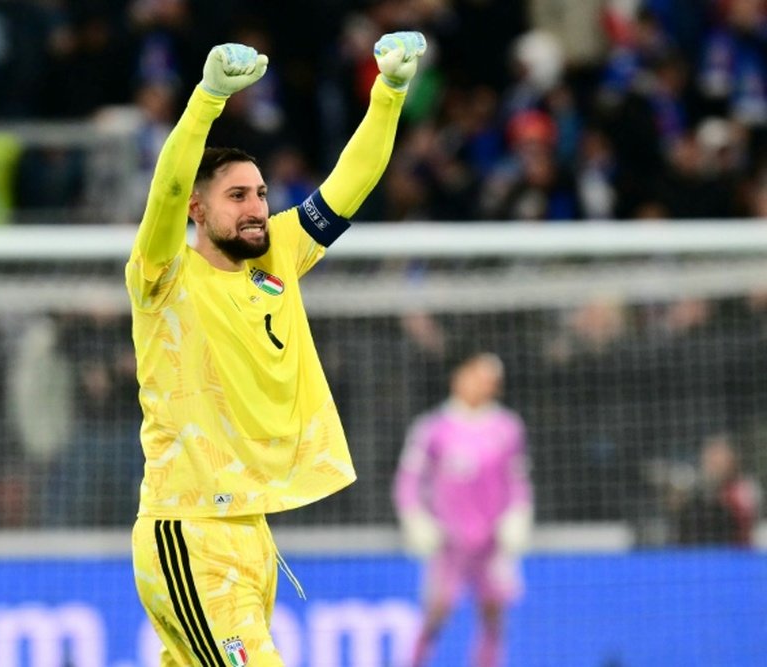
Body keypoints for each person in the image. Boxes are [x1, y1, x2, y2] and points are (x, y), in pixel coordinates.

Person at [126, 32, 426, 665]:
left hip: (252, 529)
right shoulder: (162, 275)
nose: (258, 208)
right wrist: (207, 100)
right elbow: (165, 194)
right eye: (237, 197)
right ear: (199, 213)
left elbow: (352, 180)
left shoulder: (281, 254)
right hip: (189, 529)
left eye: (261, 193)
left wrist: (390, 93)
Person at [393, 353, 533, 667]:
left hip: (491, 543)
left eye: (492, 381)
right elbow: (408, 480)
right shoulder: (433, 428)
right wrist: (415, 518)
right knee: (436, 613)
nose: (484, 385)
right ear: (459, 376)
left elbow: (518, 480)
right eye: (478, 376)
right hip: (449, 543)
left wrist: (519, 515)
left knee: (494, 615)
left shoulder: (507, 428)